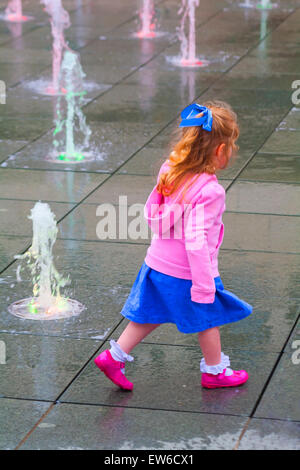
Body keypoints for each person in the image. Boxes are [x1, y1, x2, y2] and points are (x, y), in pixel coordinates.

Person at [94, 100, 253, 391]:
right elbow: (196, 242)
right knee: (208, 318)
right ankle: (215, 372)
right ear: (219, 151)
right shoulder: (210, 191)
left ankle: (113, 357)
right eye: (231, 146)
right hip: (188, 271)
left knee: (148, 315)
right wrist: (205, 286)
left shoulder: (171, 169)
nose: (232, 152)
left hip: (157, 264)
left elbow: (155, 212)